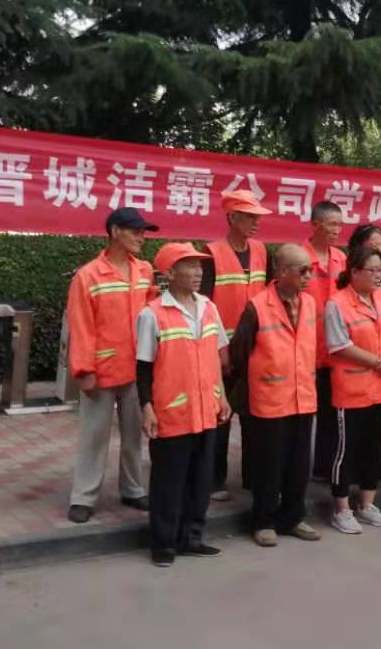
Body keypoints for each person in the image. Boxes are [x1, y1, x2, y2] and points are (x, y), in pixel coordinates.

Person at [135, 243, 228, 567]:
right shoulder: (152, 314)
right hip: (172, 411)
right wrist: (146, 407)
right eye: (189, 266)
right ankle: (163, 544)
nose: (198, 272)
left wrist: (222, 396)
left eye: (199, 266)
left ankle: (192, 537)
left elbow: (216, 357)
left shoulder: (209, 307)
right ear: (170, 273)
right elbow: (143, 367)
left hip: (206, 409)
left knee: (200, 481)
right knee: (168, 482)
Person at [64, 207, 158, 524]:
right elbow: (81, 325)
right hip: (101, 371)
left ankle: (132, 489)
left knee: (134, 434)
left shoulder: (144, 270)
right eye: (136, 231)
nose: (142, 238)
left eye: (143, 232)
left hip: (136, 369)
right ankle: (83, 497)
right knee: (94, 437)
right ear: (115, 231)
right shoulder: (88, 276)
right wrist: (84, 369)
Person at [227, 244, 323, 547]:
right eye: (302, 270)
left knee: (299, 464)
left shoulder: (309, 303)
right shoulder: (257, 307)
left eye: (311, 270)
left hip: (302, 396)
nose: (308, 276)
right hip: (269, 398)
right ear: (281, 272)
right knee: (269, 464)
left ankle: (293, 517)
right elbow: (239, 354)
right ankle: (264, 521)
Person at [325, 246, 381, 534]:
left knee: (374, 446)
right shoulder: (337, 303)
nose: (376, 275)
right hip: (353, 389)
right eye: (371, 270)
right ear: (354, 272)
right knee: (346, 450)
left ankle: (367, 504)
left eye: (379, 271)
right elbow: (339, 344)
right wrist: (378, 362)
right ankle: (341, 509)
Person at [205, 189, 275, 501]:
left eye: (257, 217)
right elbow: (205, 308)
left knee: (254, 414)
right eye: (249, 216)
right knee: (220, 415)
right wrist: (220, 351)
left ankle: (252, 476)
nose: (255, 222)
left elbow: (270, 297)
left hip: (255, 348)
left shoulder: (261, 251)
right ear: (232, 217)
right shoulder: (211, 254)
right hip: (223, 351)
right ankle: (214, 480)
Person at [306, 201, 349, 483]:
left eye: (340, 224)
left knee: (332, 414)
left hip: (335, 351)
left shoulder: (342, 259)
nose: (337, 229)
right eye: (332, 224)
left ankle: (324, 467)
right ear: (315, 225)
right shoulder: (299, 257)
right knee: (301, 415)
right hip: (305, 351)